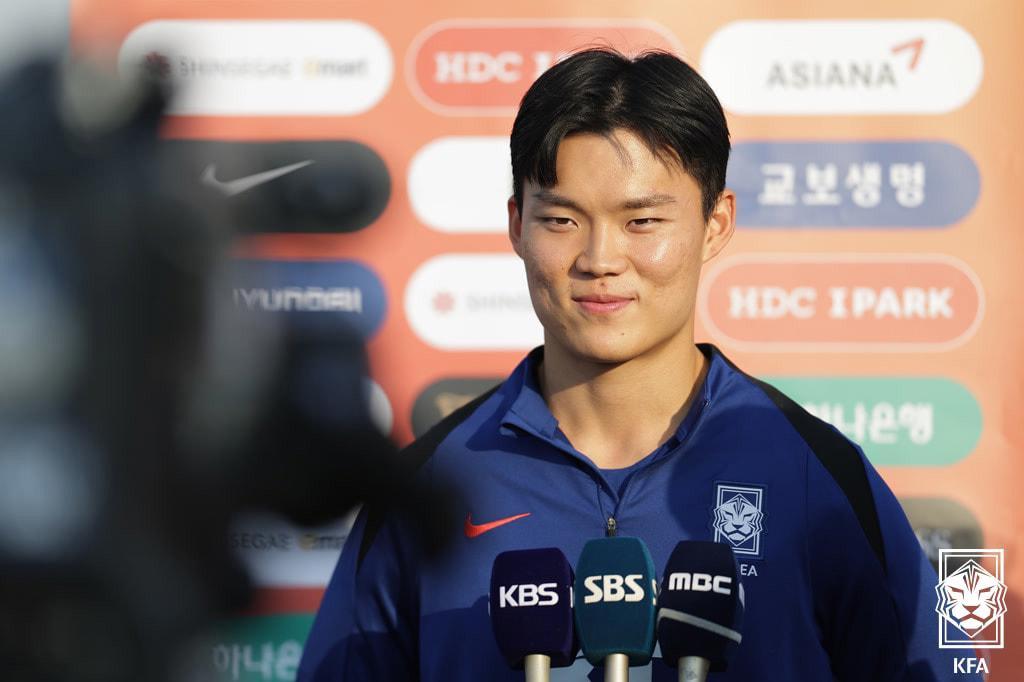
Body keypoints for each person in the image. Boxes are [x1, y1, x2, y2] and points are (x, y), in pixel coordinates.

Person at [298, 48, 975, 681]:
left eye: (642, 222)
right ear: (515, 225)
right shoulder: (428, 488)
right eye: (561, 220)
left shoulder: (815, 474)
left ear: (716, 224)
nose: (599, 259)